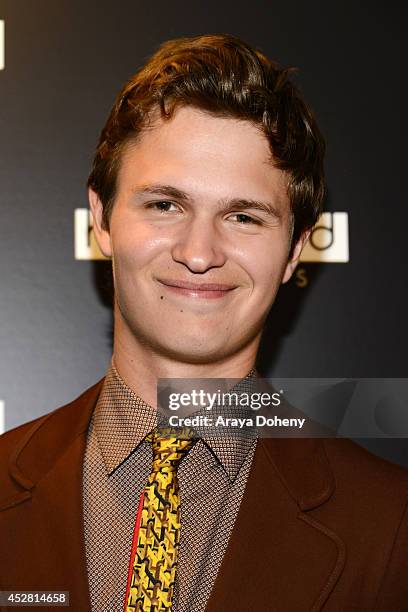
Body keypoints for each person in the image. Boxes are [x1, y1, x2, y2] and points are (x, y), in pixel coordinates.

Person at [0, 34, 407, 612]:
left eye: (243, 216)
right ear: (102, 219)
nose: (199, 252)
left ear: (294, 251)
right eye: (165, 204)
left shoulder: (390, 524)